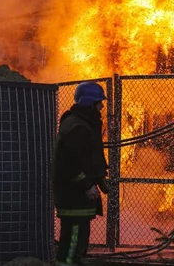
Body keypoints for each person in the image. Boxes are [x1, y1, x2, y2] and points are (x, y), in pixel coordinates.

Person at [52, 82, 109, 266]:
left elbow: (88, 157)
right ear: (89, 103)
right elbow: (70, 164)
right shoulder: (79, 127)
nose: (101, 106)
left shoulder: (83, 123)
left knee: (79, 238)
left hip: (77, 195)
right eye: (99, 102)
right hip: (73, 194)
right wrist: (87, 184)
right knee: (73, 239)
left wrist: (99, 179)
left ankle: (74, 261)